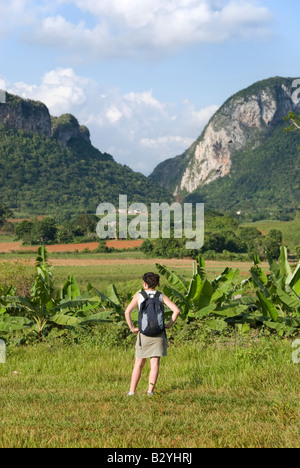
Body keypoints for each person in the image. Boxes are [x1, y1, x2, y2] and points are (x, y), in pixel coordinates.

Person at [125, 272, 180, 396]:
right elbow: (176, 310)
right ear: (156, 284)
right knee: (154, 364)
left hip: (143, 334)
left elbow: (127, 312)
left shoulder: (139, 296)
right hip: (159, 334)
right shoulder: (161, 296)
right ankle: (150, 391)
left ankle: (132, 392)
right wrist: (169, 324)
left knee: (139, 363)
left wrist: (132, 328)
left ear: (144, 283)